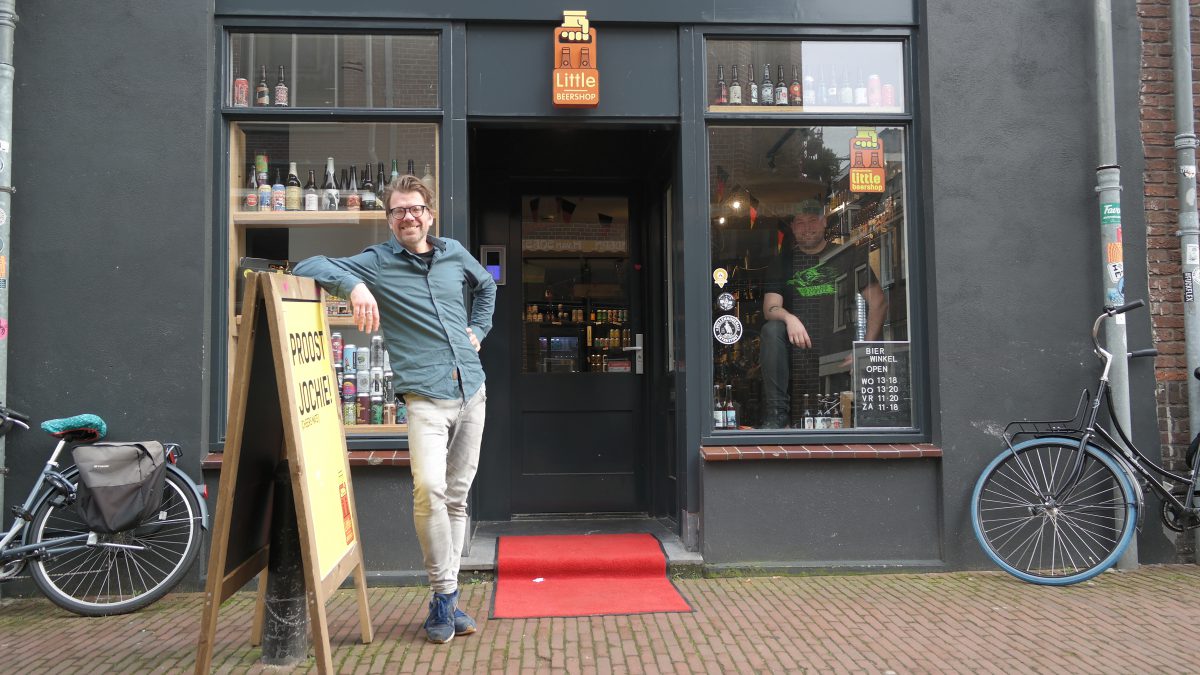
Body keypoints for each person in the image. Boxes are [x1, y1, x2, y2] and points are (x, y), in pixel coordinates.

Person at [292, 174, 496, 644]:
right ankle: (444, 593)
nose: (408, 217)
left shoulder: (453, 253)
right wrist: (355, 288)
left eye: (415, 209)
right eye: (398, 210)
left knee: (458, 497)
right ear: (389, 219)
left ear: (429, 215)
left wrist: (478, 331)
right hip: (425, 399)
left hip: (473, 393)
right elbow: (309, 263)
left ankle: (447, 598)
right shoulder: (378, 262)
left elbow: (486, 287)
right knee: (429, 491)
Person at [759, 197, 886, 428]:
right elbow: (770, 308)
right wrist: (789, 318)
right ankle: (777, 415)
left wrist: (864, 350)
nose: (806, 227)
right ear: (792, 228)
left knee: (838, 421)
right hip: (796, 355)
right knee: (772, 329)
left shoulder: (847, 255)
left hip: (837, 353)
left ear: (824, 222)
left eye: (812, 221)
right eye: (799, 222)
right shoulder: (782, 262)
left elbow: (878, 302)